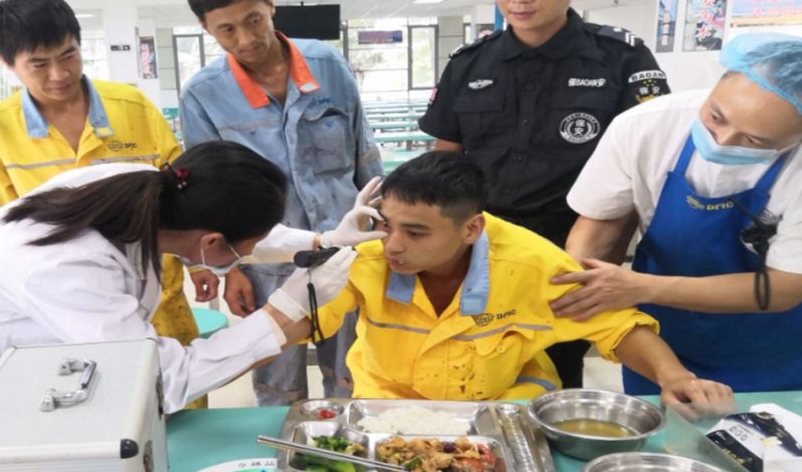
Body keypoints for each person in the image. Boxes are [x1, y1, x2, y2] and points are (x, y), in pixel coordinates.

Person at [0, 141, 383, 472]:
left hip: (17, 376)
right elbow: (158, 381)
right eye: (243, 245)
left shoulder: (152, 188)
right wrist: (281, 313)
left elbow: (230, 235)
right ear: (212, 241)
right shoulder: (68, 267)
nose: (248, 251)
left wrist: (320, 237)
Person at [417, 0, 671, 389]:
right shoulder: (470, 64)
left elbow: (644, 171)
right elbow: (445, 162)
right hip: (479, 247)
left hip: (569, 248)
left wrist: (603, 260)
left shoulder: (620, 60)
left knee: (556, 369)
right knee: (468, 367)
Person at [302, 152, 732, 407]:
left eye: (415, 233)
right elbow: (304, 316)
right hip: (388, 408)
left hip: (502, 413)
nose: (392, 244)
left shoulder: (532, 265)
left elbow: (616, 327)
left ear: (471, 229)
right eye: (388, 224)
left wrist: (672, 376)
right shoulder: (367, 255)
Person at [0, 0, 202, 401]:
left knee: (182, 400)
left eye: (68, 55)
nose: (58, 74)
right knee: (99, 413)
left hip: (158, 294)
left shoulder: (134, 108)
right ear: (6, 62)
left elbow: (182, 190)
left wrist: (200, 265)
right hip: (63, 310)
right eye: (38, 63)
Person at [180, 0, 383, 405]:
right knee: (276, 382)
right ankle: (285, 469)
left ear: (271, 4)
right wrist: (227, 269)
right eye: (226, 29)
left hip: (345, 252)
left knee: (353, 375)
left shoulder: (327, 64)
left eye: (254, 20)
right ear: (205, 27)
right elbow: (209, 194)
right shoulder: (203, 94)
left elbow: (364, 156)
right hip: (266, 262)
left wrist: (384, 234)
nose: (246, 39)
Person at [554, 33, 802, 394]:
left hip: (771, 349)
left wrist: (642, 286)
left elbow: (785, 287)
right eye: (716, 117)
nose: (722, 140)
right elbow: (600, 226)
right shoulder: (646, 126)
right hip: (664, 336)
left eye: (753, 141)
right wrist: (572, 287)